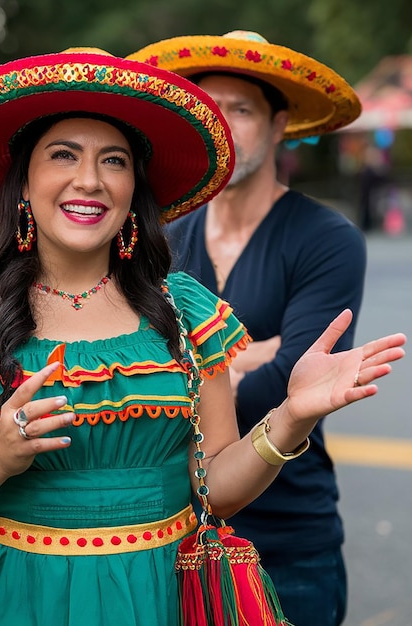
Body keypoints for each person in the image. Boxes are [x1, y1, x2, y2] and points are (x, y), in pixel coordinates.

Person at [0, 51, 405, 626]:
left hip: (163, 596)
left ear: (133, 189)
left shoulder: (187, 311)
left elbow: (215, 491)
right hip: (20, 599)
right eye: (63, 155)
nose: (90, 179)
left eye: (114, 160)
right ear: (23, 181)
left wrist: (291, 417)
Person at [127, 31, 367, 626]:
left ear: (280, 124)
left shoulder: (326, 237)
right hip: (164, 528)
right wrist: (250, 354)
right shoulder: (161, 232)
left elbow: (292, 381)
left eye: (242, 110)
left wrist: (181, 378)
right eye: (211, 110)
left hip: (286, 534)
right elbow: (116, 348)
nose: (225, 126)